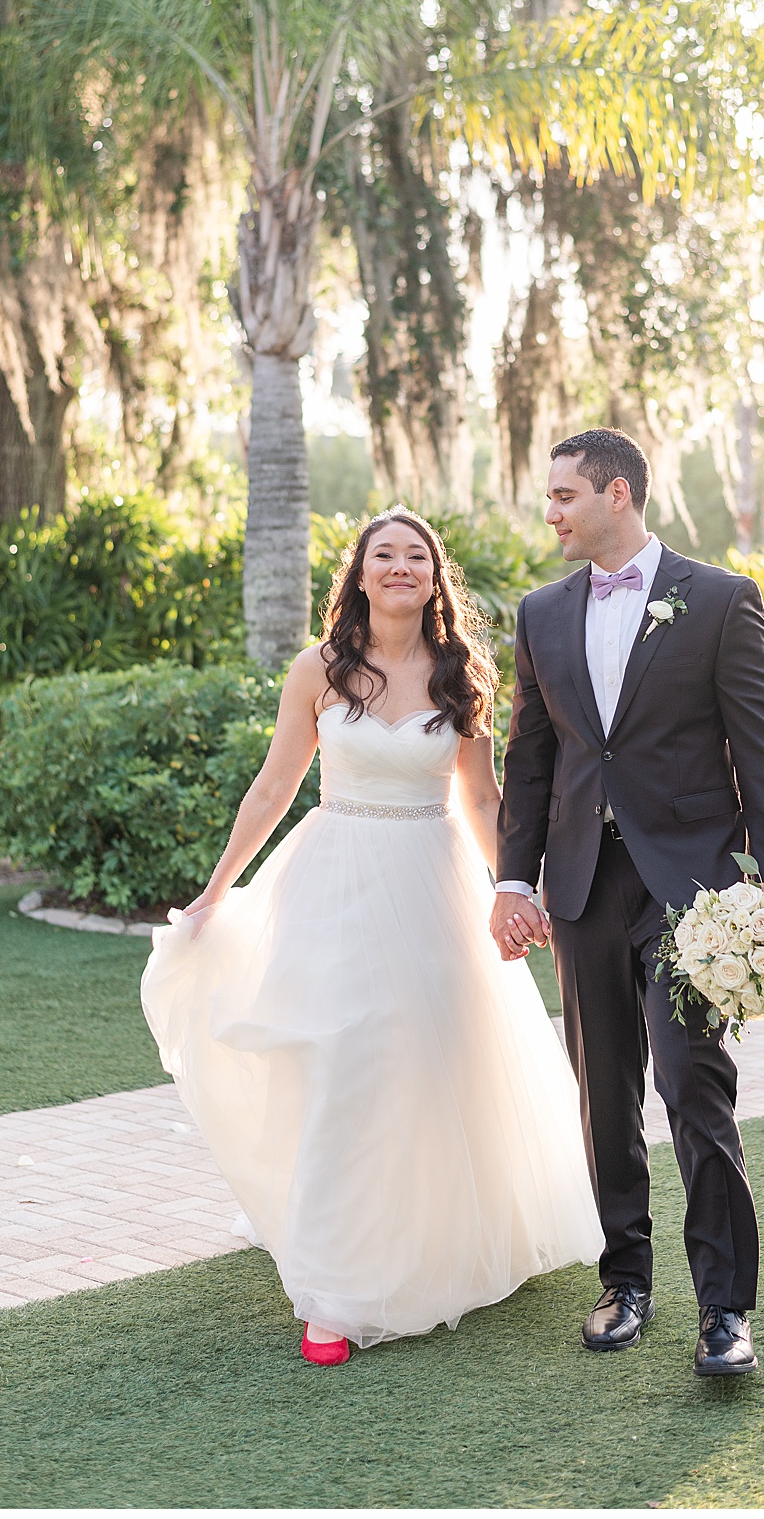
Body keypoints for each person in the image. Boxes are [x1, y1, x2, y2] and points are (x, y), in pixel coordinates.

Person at [143, 509, 602, 1366]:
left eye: (416, 556)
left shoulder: (463, 672)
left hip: (433, 880)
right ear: (357, 574)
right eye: (383, 554)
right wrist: (215, 888)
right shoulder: (318, 670)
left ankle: (438, 1238)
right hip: (337, 879)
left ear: (435, 578)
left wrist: (513, 884)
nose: (399, 567)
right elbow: (277, 782)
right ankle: (336, 1285)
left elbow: (481, 798)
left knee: (430, 1060)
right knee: (346, 1061)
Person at [491, 428, 764, 1378]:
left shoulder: (720, 600)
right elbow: (534, 761)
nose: (550, 512)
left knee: (693, 1088)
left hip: (691, 891)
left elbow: (763, 755)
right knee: (603, 1097)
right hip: (582, 886)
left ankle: (725, 1311)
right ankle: (625, 1280)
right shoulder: (541, 613)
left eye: (563, 495)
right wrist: (514, 875)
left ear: (616, 493)